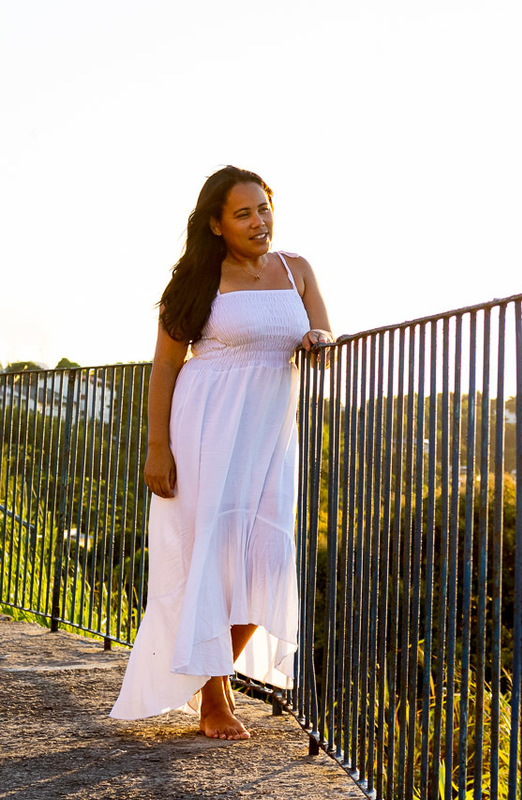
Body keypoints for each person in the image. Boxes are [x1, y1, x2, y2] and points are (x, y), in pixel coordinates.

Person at [110, 166, 332, 740]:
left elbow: (325, 342)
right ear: (216, 224)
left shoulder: (297, 270)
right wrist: (157, 448)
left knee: (268, 559)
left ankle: (209, 671)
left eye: (264, 208)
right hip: (206, 426)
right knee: (210, 552)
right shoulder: (198, 280)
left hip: (270, 434)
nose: (259, 221)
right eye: (244, 213)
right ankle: (214, 696)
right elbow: (165, 364)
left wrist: (317, 342)